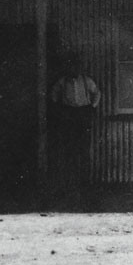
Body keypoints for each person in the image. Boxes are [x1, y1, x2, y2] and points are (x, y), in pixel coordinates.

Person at [49, 54, 101, 189]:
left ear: (80, 68)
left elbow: (97, 93)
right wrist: (58, 106)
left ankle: (85, 180)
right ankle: (70, 181)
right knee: (69, 146)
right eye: (71, 67)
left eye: (76, 67)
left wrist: (92, 106)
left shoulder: (86, 81)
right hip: (68, 114)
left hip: (83, 113)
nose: (74, 70)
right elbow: (53, 93)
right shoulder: (62, 81)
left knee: (83, 146)